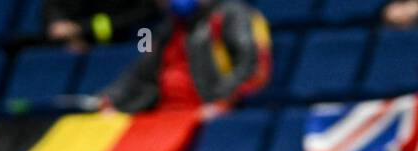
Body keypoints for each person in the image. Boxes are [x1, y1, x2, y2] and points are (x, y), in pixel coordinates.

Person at [97, 0, 270, 120]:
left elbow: (252, 66)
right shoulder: (169, 26)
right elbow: (141, 72)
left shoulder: (233, 14)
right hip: (163, 115)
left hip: (203, 114)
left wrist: (221, 101)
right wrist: (110, 100)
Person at [44, 0, 161, 51]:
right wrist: (65, 30)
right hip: (79, 46)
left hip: (130, 43)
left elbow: (144, 13)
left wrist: (82, 28)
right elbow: (57, 22)